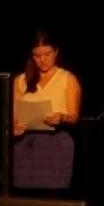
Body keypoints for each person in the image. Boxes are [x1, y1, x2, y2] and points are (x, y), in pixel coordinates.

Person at [12, 30, 82, 191]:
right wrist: (16, 127)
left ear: (56, 52)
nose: (42, 60)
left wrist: (62, 118)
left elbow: (74, 116)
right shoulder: (21, 80)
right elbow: (14, 116)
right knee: (25, 195)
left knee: (52, 195)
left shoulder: (67, 79)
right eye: (37, 55)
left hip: (56, 144)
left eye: (47, 54)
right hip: (26, 144)